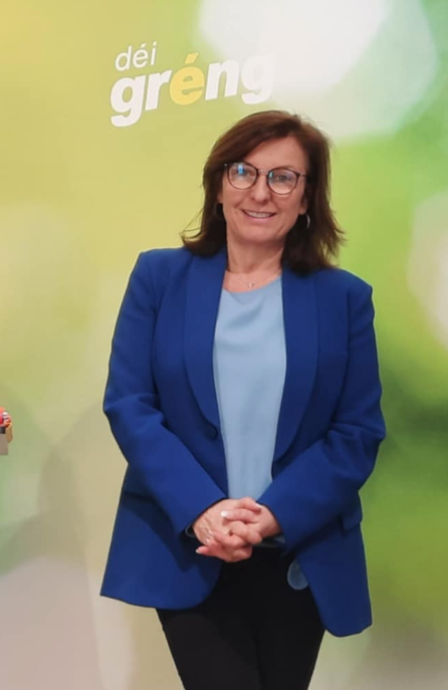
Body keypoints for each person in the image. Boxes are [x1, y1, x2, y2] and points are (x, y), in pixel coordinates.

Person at [101, 109, 385, 690]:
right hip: (191, 544)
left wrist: (272, 516)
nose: (261, 192)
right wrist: (205, 512)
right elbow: (130, 404)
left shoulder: (344, 299)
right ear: (218, 185)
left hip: (297, 550)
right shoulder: (158, 278)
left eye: (283, 177)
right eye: (243, 172)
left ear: (307, 198)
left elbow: (356, 433)